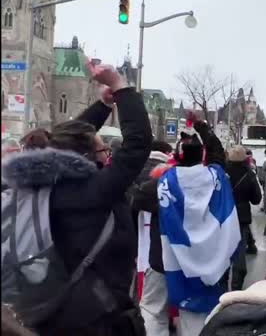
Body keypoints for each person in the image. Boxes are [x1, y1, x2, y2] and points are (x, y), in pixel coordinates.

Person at [1, 63, 152, 335]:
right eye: (104, 149)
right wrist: (121, 87)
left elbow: (65, 141)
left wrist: (103, 107)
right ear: (88, 156)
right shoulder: (94, 192)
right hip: (98, 318)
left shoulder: (35, 188)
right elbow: (137, 145)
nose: (108, 155)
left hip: (46, 313)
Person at [156, 114, 238, 336]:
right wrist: (202, 125)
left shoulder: (165, 181)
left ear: (176, 156)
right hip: (215, 256)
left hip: (181, 260)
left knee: (188, 316)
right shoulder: (215, 175)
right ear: (201, 154)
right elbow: (217, 153)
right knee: (213, 313)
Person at [131, 140, 173, 336]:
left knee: (150, 306)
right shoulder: (169, 178)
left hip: (145, 251)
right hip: (172, 253)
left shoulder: (131, 171)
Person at [226, 146, 262, 290]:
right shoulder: (249, 174)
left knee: (222, 251)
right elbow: (256, 199)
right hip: (241, 217)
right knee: (239, 252)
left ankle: (221, 285)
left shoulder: (221, 172)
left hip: (223, 216)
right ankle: (236, 288)